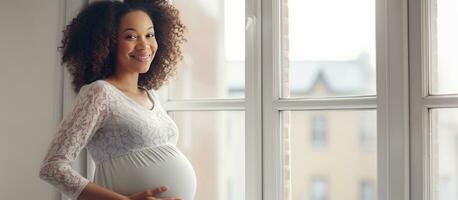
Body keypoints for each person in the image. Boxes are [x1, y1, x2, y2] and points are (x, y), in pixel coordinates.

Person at [38, 0, 195, 200]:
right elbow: (52, 167)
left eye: (149, 35)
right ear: (108, 43)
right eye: (131, 36)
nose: (144, 45)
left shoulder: (149, 94)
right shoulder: (100, 93)